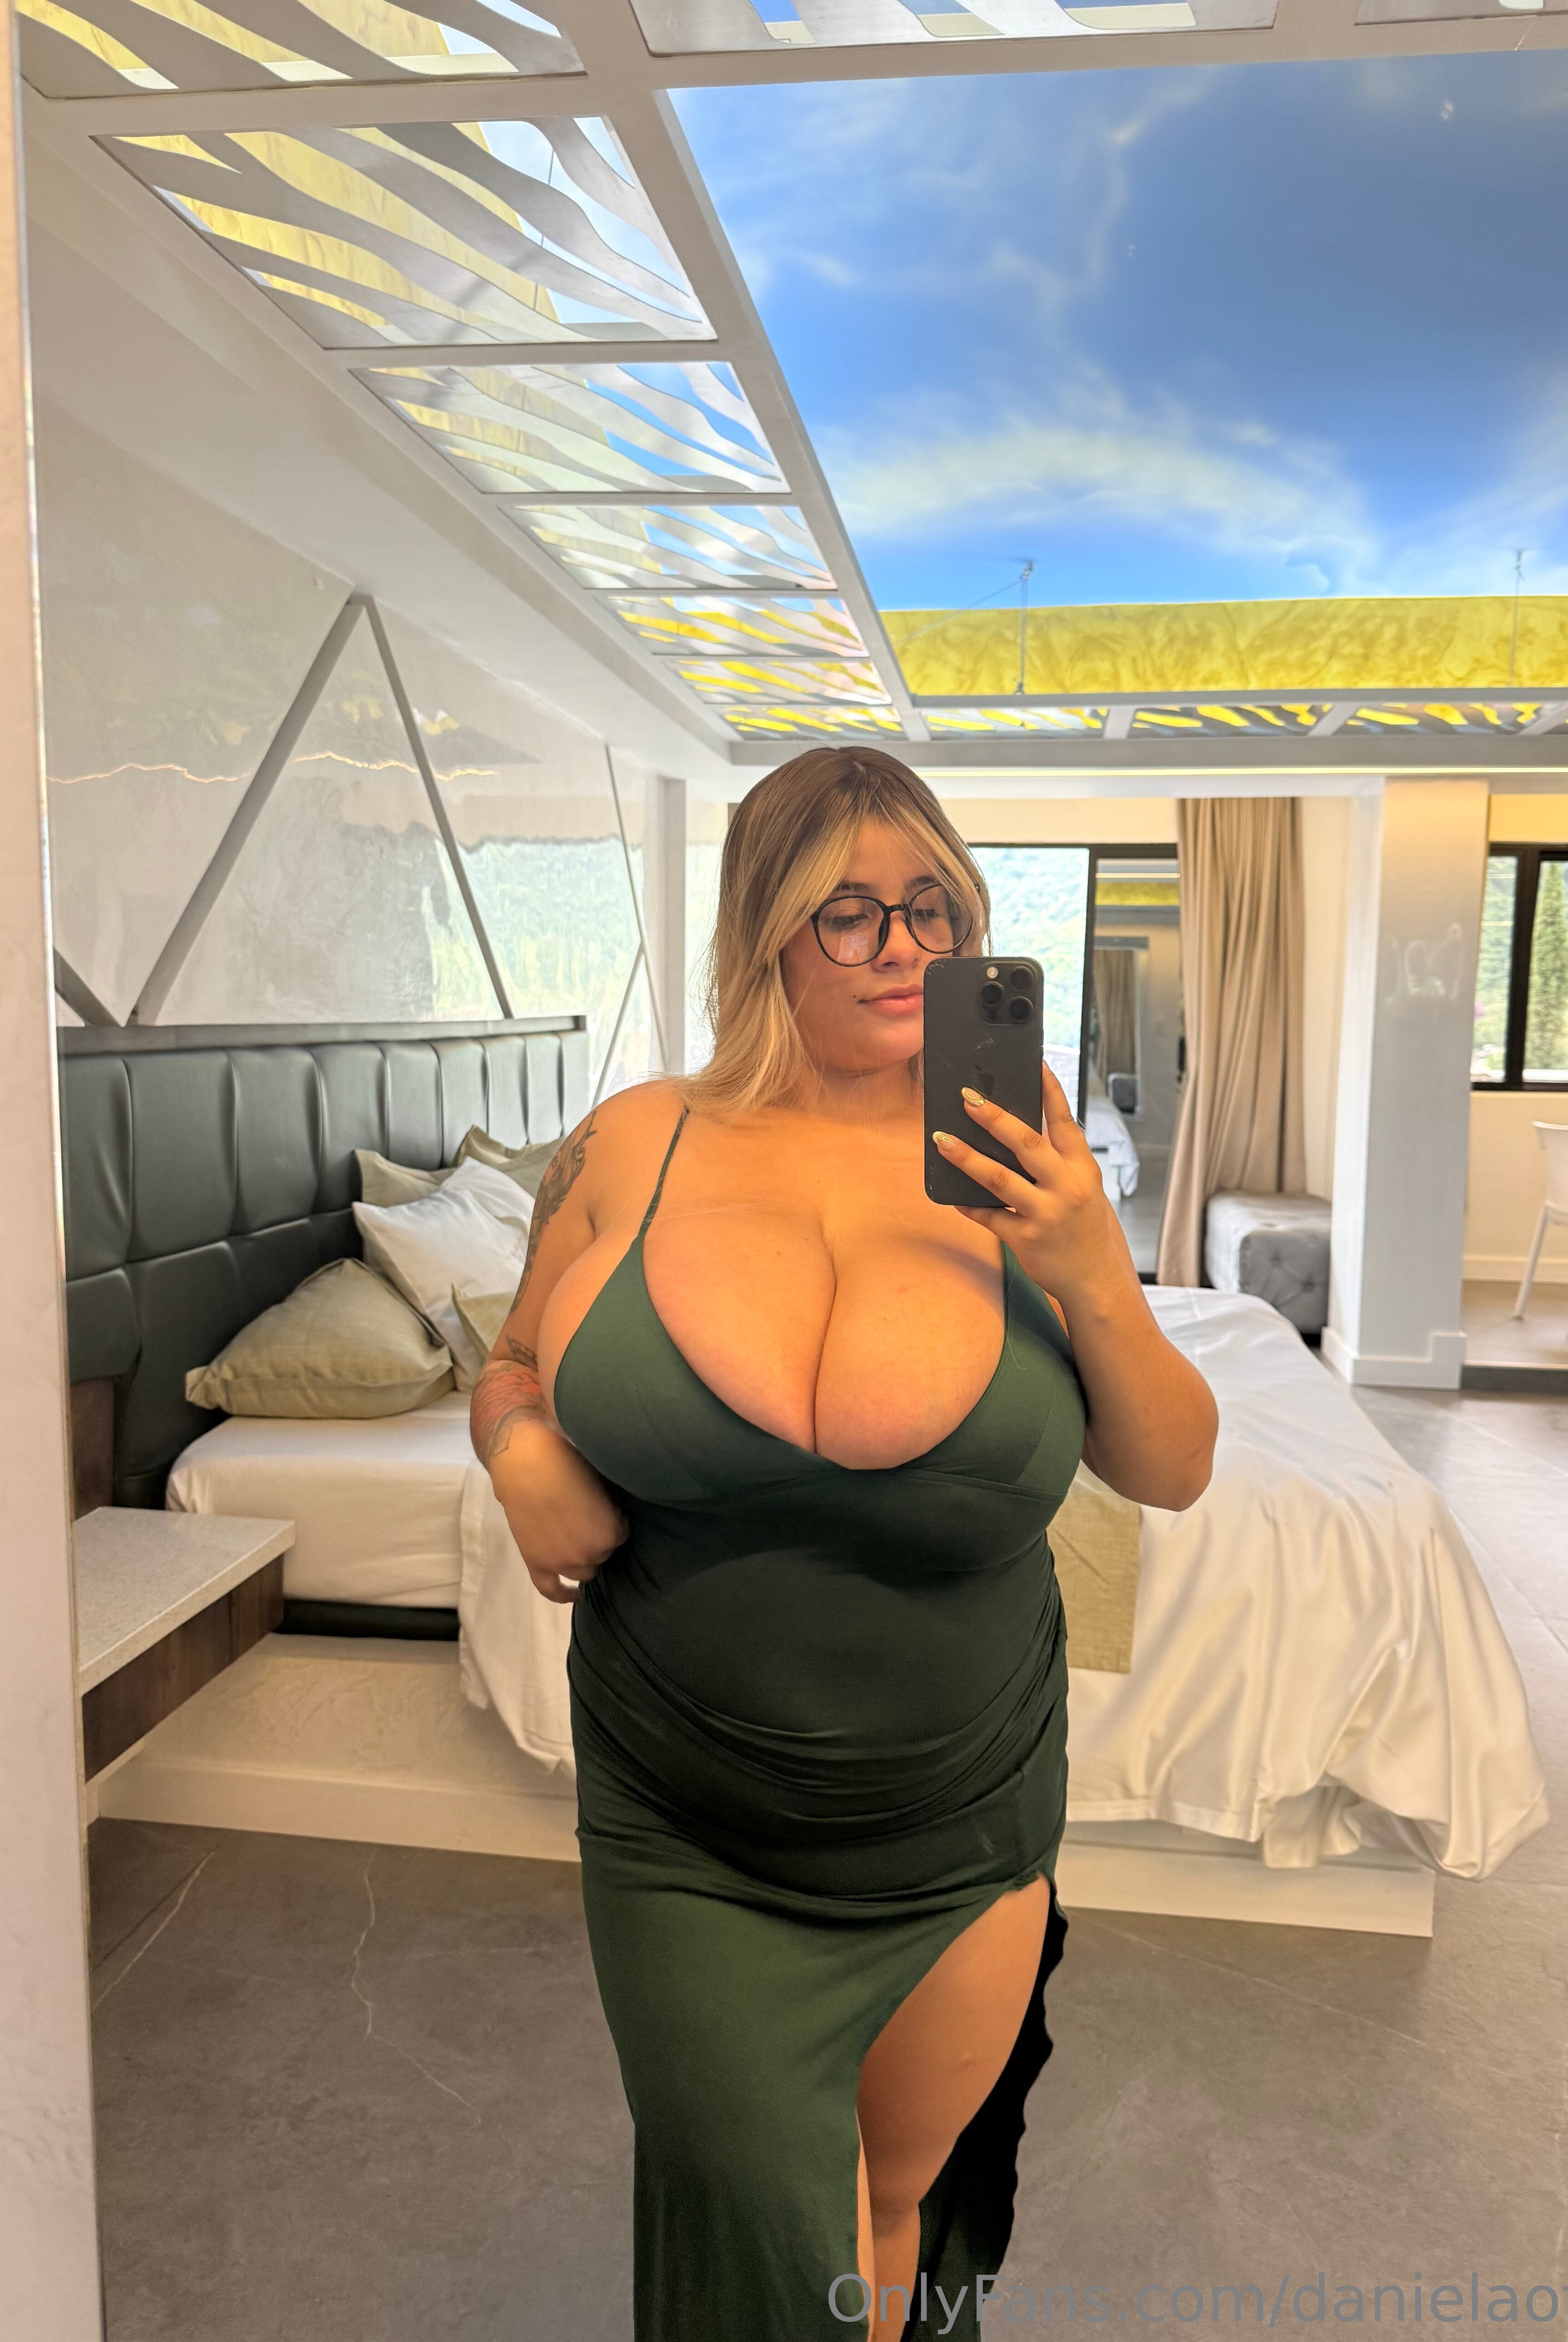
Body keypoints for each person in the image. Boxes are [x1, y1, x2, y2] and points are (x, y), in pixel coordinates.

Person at [471, 747, 1217, 2341]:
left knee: (891, 2207)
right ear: (765, 929)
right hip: (683, 1822)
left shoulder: (1024, 1155)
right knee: (745, 2203)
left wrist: (1093, 1266)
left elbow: (1171, 1466)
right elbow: (514, 1357)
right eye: (851, 912)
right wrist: (518, 1444)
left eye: (936, 909)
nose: (904, 950)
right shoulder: (629, 1142)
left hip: (958, 1825)